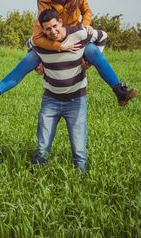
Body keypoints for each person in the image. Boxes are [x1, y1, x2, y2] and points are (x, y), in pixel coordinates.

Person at [0, 0, 137, 108]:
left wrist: (85, 24)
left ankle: (120, 92)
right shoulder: (44, 2)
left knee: (93, 51)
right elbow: (38, 37)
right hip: (53, 38)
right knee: (28, 61)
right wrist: (59, 47)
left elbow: (87, 12)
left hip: (73, 35)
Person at [31, 9, 110, 172]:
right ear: (43, 30)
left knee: (79, 151)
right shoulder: (41, 41)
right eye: (47, 29)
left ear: (60, 21)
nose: (52, 31)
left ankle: (80, 184)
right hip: (50, 101)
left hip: (76, 101)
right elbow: (29, 45)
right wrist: (38, 67)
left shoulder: (79, 34)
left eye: (55, 26)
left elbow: (103, 36)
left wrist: (90, 58)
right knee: (42, 147)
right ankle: (34, 178)